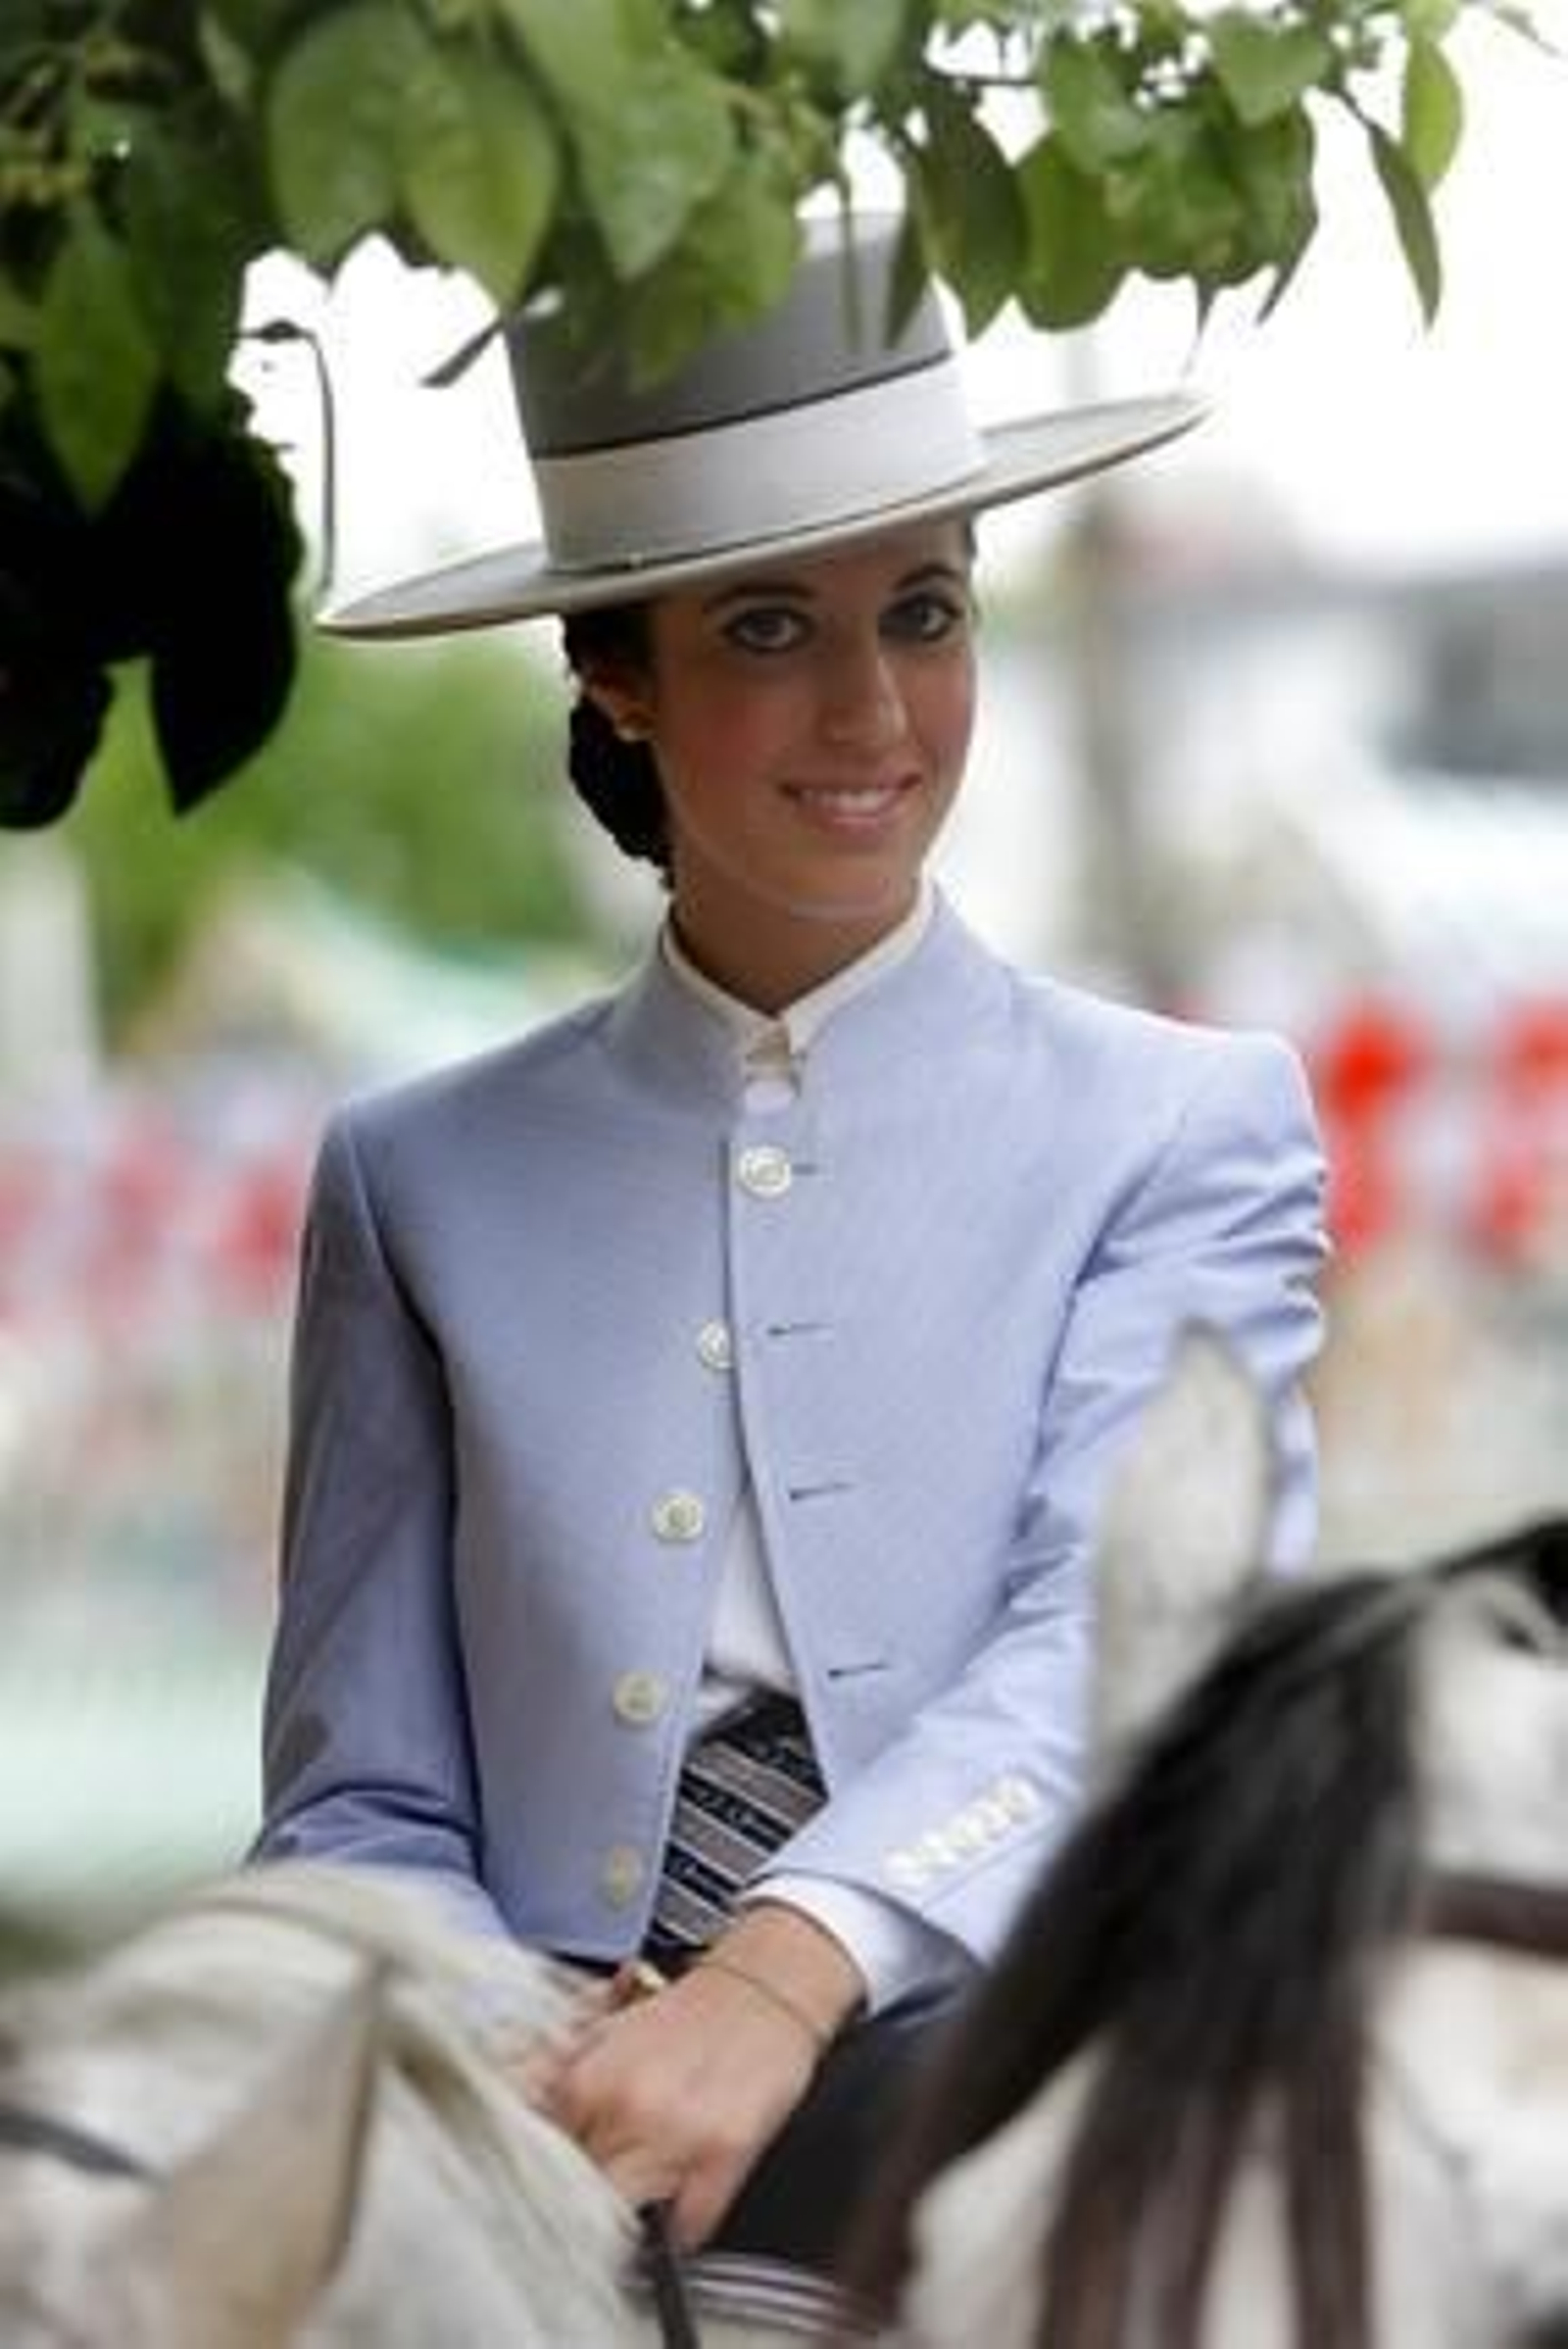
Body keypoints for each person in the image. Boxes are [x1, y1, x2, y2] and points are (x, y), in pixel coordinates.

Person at [254, 212, 1327, 2293]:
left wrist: (781, 1962)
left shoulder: (1182, 1124)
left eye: (922, 611)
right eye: (763, 628)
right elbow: (355, 1796)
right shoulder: (417, 1176)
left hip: (1033, 2077)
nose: (870, 705)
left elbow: (1127, 1639)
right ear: (613, 675)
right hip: (525, 2170)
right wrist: (513, 2040)